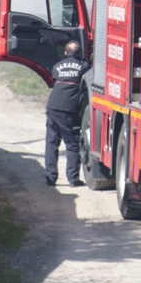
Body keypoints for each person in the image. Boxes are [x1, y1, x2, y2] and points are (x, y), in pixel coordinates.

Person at [45, 41, 90, 187]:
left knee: (52, 144)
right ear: (80, 53)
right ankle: (73, 179)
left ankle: (51, 178)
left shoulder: (57, 66)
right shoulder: (84, 66)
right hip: (68, 110)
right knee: (72, 145)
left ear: (65, 53)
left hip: (52, 107)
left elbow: (54, 81)